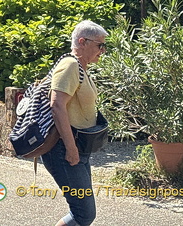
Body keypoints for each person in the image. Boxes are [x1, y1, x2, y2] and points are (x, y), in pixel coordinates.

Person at [42, 20, 108, 226]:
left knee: (83, 213)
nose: (103, 50)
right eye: (99, 45)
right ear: (82, 41)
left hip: (76, 148)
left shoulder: (81, 67)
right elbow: (57, 105)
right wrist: (71, 149)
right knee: (83, 214)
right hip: (65, 150)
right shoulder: (70, 65)